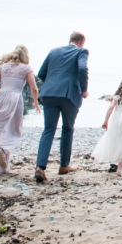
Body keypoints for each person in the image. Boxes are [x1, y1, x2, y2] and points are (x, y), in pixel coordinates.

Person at [34, 31, 89, 183]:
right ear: (81, 42)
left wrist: (52, 83)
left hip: (49, 93)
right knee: (68, 128)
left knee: (48, 129)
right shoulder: (81, 51)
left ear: (70, 40)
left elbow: (41, 73)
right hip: (69, 94)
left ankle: (40, 167)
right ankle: (64, 165)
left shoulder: (53, 51)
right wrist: (84, 89)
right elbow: (82, 69)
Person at [0, 45, 40, 175]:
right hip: (15, 99)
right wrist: (35, 103)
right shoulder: (26, 68)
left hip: (0, 97)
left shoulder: (3, 67)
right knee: (12, 129)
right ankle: (2, 151)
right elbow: (34, 88)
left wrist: (1, 93)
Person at [92, 78, 122, 176]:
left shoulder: (116, 97)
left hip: (116, 120)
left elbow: (110, 108)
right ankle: (119, 169)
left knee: (114, 139)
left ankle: (113, 162)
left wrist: (105, 121)